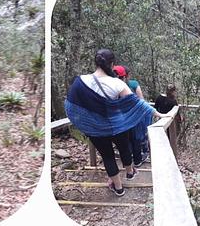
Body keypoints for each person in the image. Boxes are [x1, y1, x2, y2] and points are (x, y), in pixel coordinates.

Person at [64, 48, 160, 197]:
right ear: (112, 64)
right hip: (117, 125)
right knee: (124, 149)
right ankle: (129, 172)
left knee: (108, 156)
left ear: (95, 62)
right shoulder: (117, 83)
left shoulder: (80, 81)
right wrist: (158, 114)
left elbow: (71, 105)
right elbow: (138, 103)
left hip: (96, 129)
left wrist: (86, 123)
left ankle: (119, 188)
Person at [115, 65, 148, 166]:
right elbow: (141, 99)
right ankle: (137, 160)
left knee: (125, 139)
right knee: (135, 138)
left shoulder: (112, 85)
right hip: (134, 116)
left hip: (120, 117)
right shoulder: (134, 84)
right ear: (127, 76)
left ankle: (128, 161)